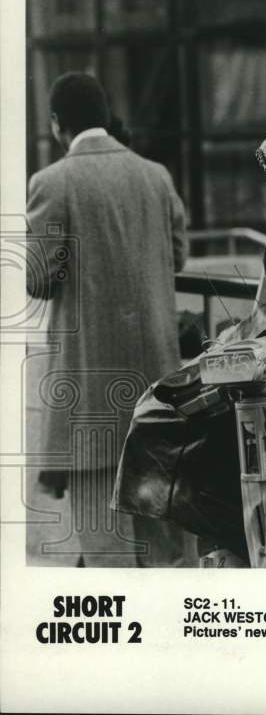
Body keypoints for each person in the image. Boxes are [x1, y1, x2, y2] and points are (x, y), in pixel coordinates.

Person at [26, 72, 193, 567]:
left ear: (58, 123)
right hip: (157, 400)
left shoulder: (51, 183)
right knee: (164, 556)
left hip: (90, 405)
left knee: (106, 558)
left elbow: (36, 278)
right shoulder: (156, 176)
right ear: (104, 115)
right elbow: (178, 256)